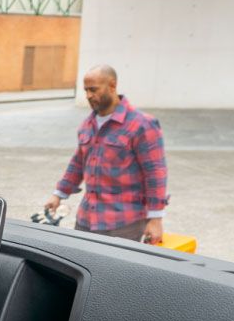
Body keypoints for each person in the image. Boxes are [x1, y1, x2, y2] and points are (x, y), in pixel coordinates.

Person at [44, 64, 169, 243]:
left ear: (112, 85)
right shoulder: (87, 125)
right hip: (86, 221)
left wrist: (156, 218)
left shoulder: (142, 124)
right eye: (86, 90)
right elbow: (78, 164)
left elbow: (155, 173)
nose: (88, 95)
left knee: (119, 271)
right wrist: (58, 194)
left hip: (124, 224)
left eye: (93, 89)